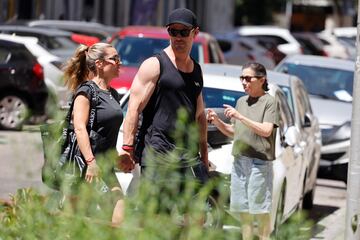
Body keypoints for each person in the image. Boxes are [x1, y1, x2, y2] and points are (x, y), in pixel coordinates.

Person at [118, 8, 208, 208]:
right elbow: (133, 108)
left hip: (187, 156)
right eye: (173, 32)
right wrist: (127, 148)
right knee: (159, 216)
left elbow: (200, 115)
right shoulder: (155, 65)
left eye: (184, 32)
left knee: (197, 214)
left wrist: (204, 156)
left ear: (195, 32)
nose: (178, 37)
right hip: (158, 154)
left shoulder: (197, 70)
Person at [207, 62, 278, 240]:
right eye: (242, 78)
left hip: (259, 163)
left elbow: (266, 130)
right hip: (240, 161)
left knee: (260, 211)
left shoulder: (269, 102)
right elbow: (235, 132)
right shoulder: (241, 102)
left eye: (248, 78)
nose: (244, 82)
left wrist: (239, 116)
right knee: (243, 212)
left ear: (262, 80)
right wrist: (217, 122)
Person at [63, 42, 125, 226]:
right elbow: (80, 127)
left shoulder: (112, 93)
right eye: (114, 59)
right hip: (85, 167)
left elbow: (106, 132)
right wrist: (90, 162)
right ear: (99, 64)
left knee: (116, 208)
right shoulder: (86, 91)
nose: (119, 62)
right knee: (75, 221)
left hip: (105, 166)